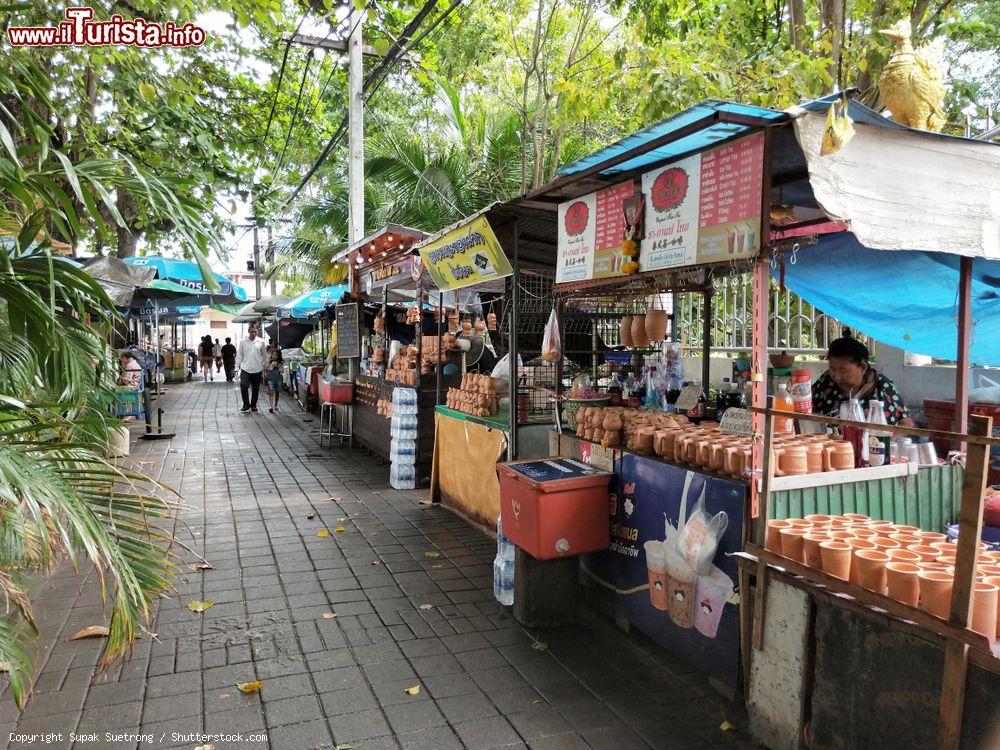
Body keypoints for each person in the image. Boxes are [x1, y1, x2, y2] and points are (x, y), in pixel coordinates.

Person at [812, 331, 912, 425]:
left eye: (843, 371)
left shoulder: (882, 386)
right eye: (832, 369)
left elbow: (906, 423)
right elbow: (806, 409)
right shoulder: (826, 380)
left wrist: (887, 441)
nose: (836, 376)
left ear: (863, 368)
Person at [235, 324, 267, 413]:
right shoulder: (243, 342)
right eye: (252, 331)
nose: (254, 333)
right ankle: (246, 404)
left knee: (256, 388)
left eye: (255, 331)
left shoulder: (261, 342)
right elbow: (239, 355)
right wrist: (236, 368)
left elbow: (264, 355)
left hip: (257, 369)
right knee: (244, 385)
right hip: (245, 368)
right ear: (249, 331)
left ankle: (253, 405)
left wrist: (264, 366)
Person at [264, 343, 284, 413]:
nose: (274, 356)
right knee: (271, 392)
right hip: (270, 379)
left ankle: (275, 405)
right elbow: (265, 368)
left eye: (276, 355)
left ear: (278, 356)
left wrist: (278, 366)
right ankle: (271, 406)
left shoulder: (280, 362)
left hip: (278, 379)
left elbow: (282, 371)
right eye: (273, 354)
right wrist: (269, 364)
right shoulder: (269, 361)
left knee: (277, 392)